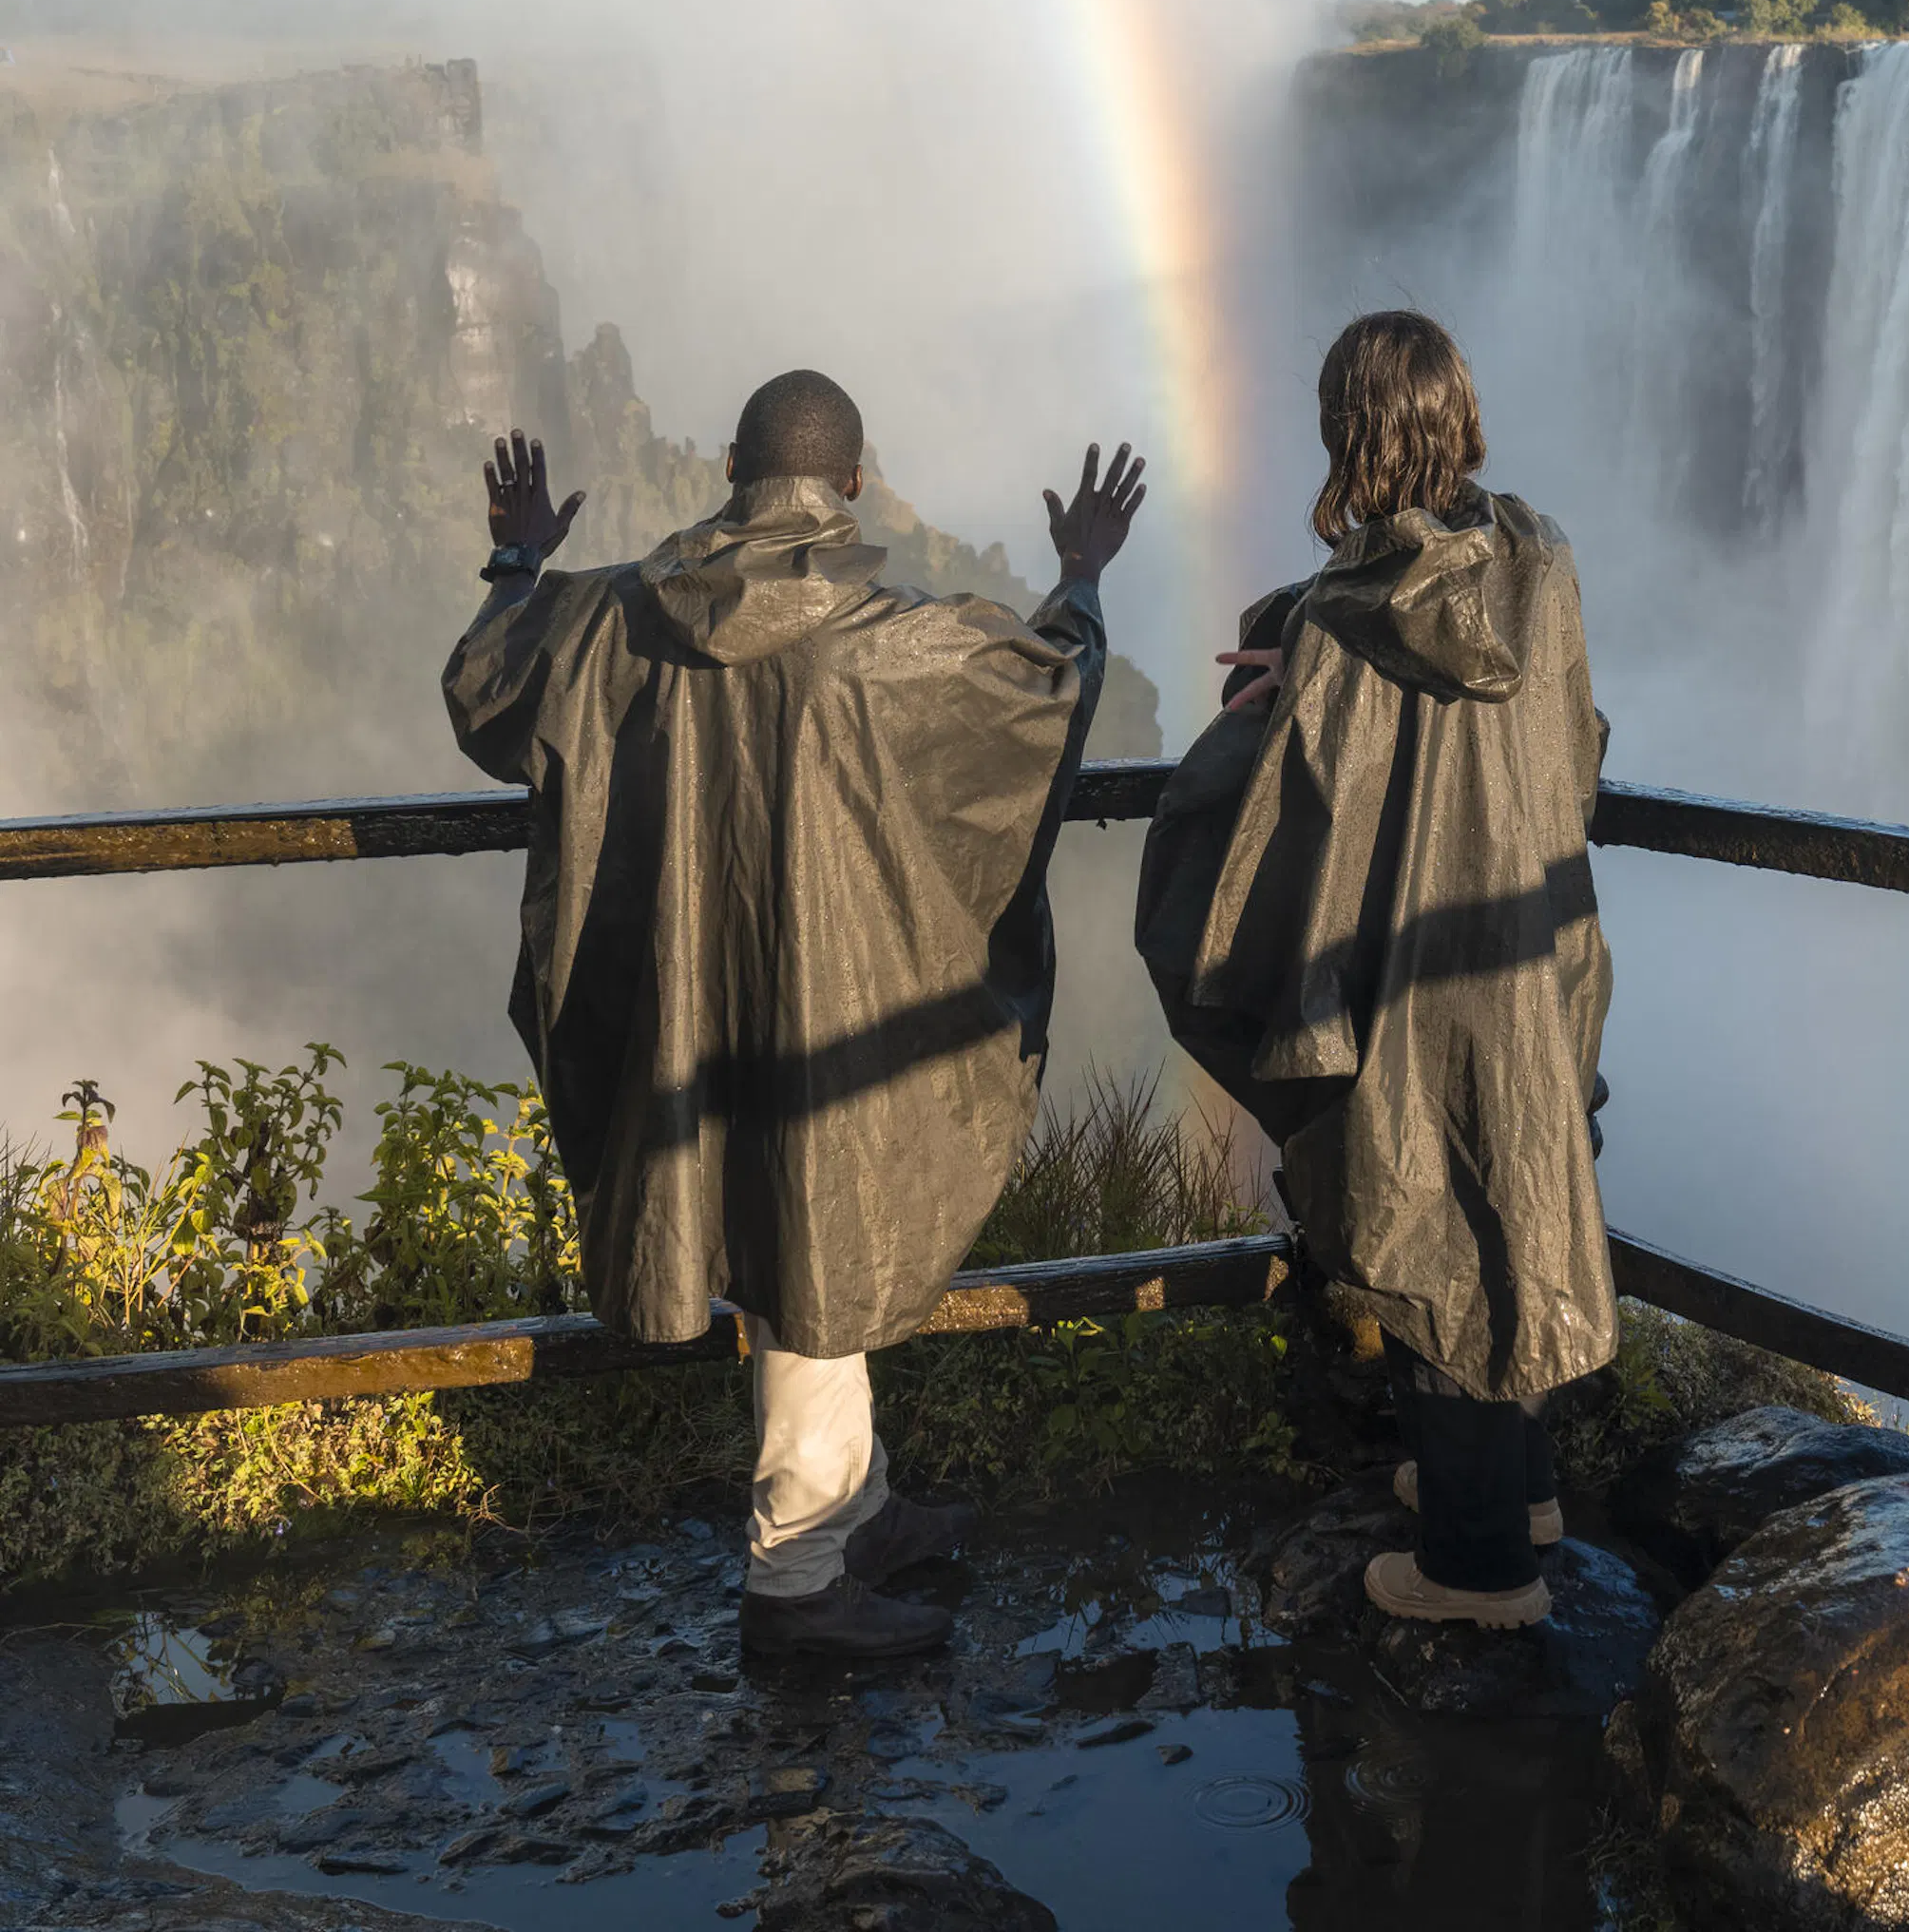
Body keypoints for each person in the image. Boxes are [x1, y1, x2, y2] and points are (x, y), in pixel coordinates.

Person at [444, 373, 1145, 1658]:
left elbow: (485, 693)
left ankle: (859, 1509)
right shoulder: (893, 638)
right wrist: (1085, 572)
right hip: (825, 1003)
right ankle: (798, 1585)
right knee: (815, 1232)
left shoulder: (605, 620)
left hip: (681, 1009)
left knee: (804, 1241)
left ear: (727, 467)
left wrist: (519, 556)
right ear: (855, 484)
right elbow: (1049, 695)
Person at [1136, 310, 1613, 1630]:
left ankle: (1479, 1572)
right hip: (1531, 947)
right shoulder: (1545, 564)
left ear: (1349, 435)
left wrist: (1257, 712)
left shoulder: (1341, 617)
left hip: (1404, 964)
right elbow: (1574, 750)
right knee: (1503, 1186)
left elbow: (1294, 826)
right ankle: (1516, 1490)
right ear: (1459, 416)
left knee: (1418, 1205)